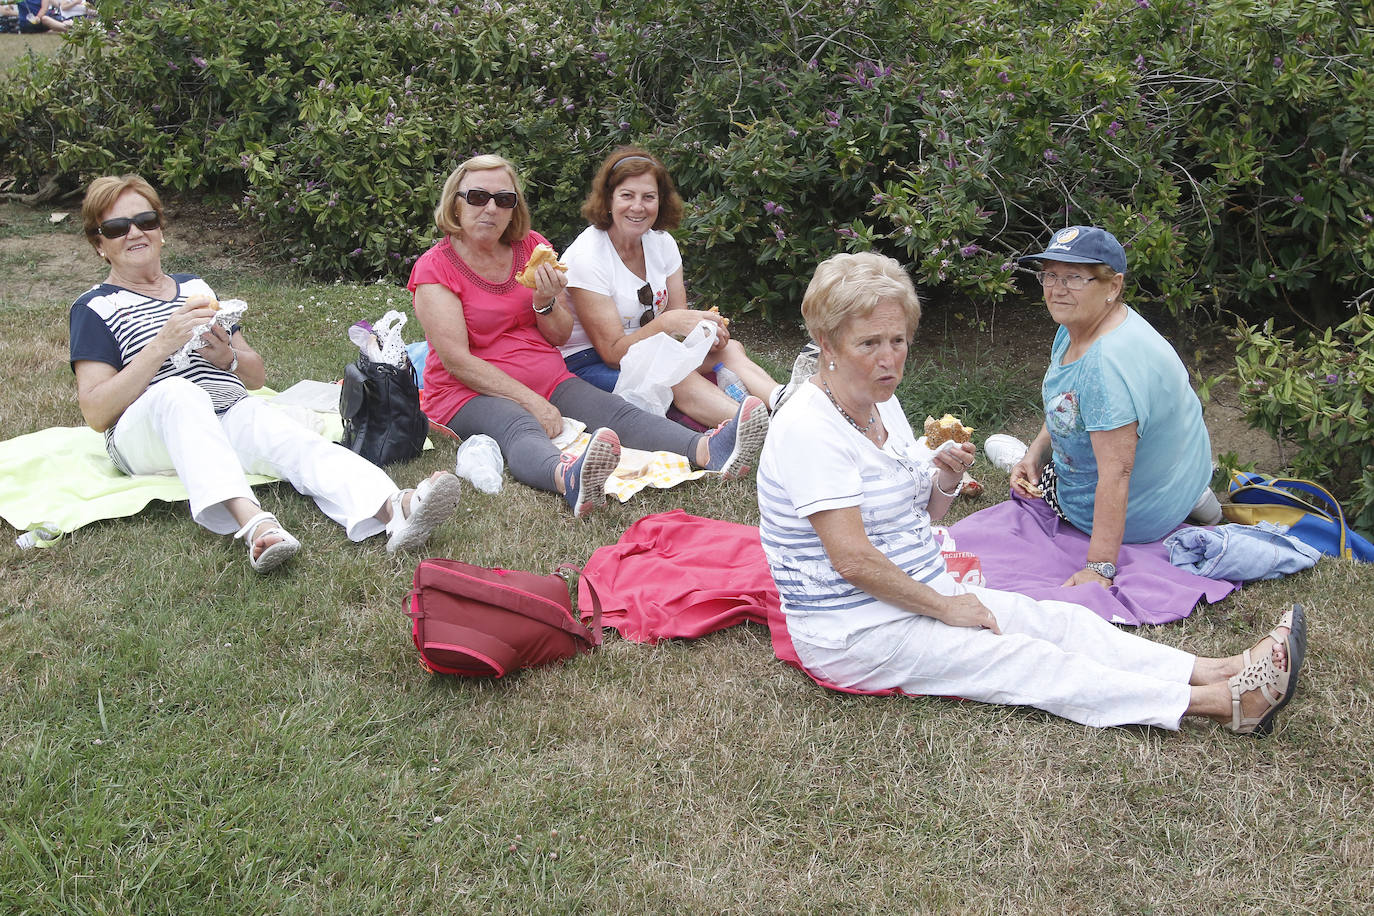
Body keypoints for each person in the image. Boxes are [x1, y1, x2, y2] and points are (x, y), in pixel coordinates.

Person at [757, 251, 1305, 736]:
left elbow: (918, 516)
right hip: (856, 629)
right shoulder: (809, 426)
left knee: (1057, 622)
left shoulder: (881, 402)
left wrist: (944, 480)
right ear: (827, 343)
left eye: (898, 341)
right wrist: (946, 607)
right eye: (870, 344)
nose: (890, 359)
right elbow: (852, 559)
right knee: (1023, 660)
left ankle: (1218, 668)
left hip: (920, 589)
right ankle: (1223, 703)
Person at [69, 175, 461, 573]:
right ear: (100, 245)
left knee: (291, 438)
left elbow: (255, 377)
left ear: (161, 230)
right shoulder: (95, 308)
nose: (135, 232)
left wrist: (228, 359)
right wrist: (161, 345)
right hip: (144, 435)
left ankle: (396, 508)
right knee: (178, 392)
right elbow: (97, 412)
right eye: (118, 227)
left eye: (146, 220)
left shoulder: (196, 289)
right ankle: (255, 524)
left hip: (225, 413)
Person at [408, 154, 768, 518]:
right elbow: (457, 361)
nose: (490, 208)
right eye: (477, 197)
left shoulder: (531, 248)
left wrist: (545, 302)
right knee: (519, 424)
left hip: (548, 376)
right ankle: (568, 477)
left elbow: (559, 334)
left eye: (504, 199)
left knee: (617, 412)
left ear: (514, 206)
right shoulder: (436, 269)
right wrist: (531, 401)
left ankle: (708, 450)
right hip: (468, 392)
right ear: (455, 202)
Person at [1008, 226, 1220, 588]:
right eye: (1050, 275)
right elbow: (1068, 404)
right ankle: (1190, 496)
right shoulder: (1092, 321)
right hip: (1179, 473)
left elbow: (1116, 473)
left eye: (1074, 277)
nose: (1057, 288)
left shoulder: (1106, 365)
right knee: (1032, 459)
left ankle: (1020, 460)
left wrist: (1100, 567)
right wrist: (1035, 453)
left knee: (1013, 462)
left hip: (1138, 515)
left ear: (1113, 285)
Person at [560, 147, 798, 426]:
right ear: (608, 200)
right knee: (673, 375)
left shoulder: (661, 242)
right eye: (627, 195)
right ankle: (762, 427)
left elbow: (678, 329)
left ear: (660, 201)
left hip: (651, 350)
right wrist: (671, 323)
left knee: (729, 349)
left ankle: (786, 402)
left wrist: (706, 333)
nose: (638, 207)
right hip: (589, 363)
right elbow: (613, 354)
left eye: (649, 197)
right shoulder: (587, 257)